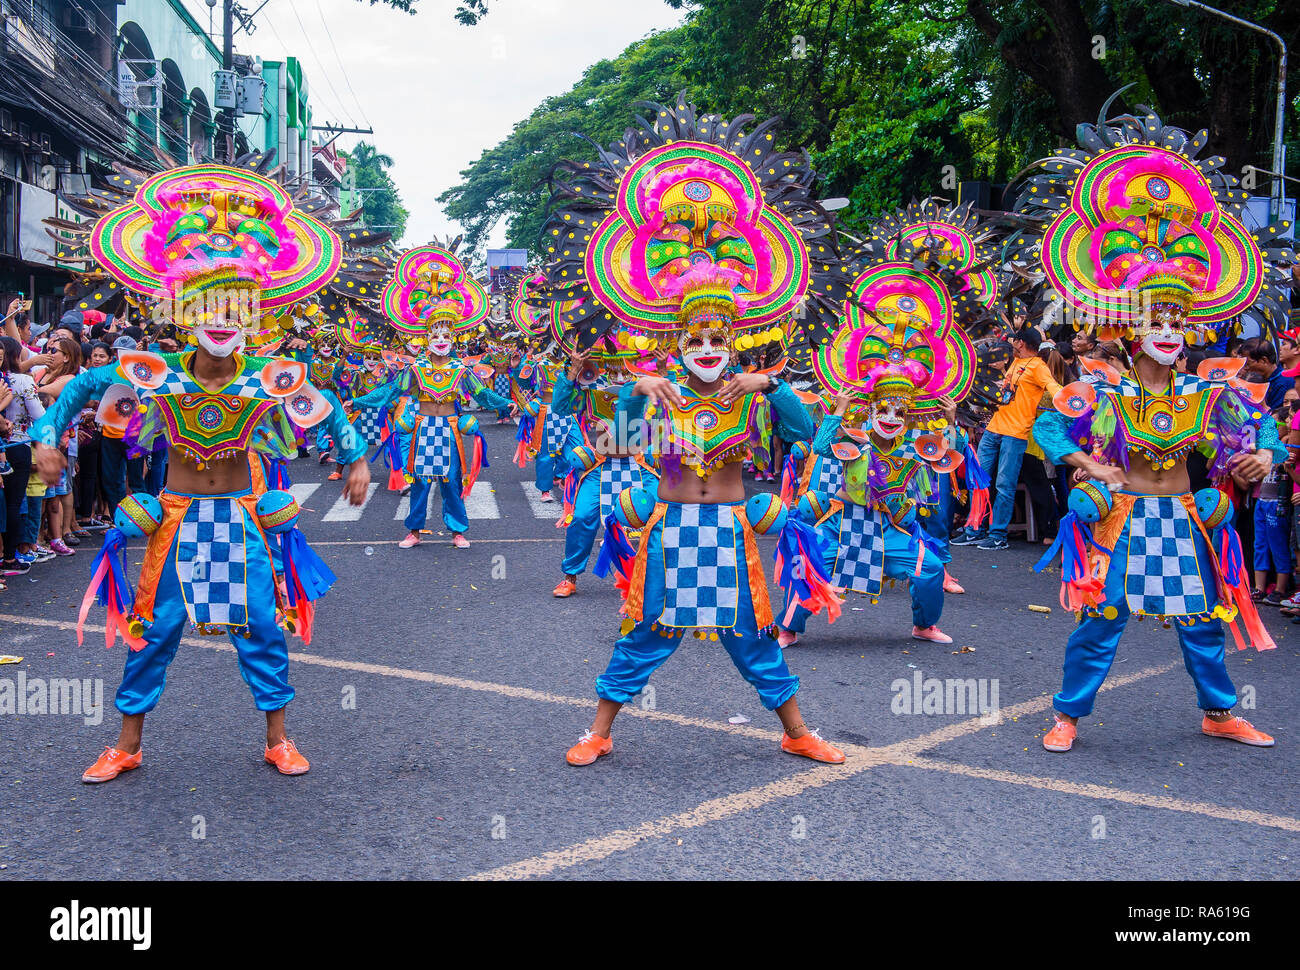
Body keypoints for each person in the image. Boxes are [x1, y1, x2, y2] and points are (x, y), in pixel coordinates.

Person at [31, 163, 370, 783]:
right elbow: (79, 385)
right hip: (175, 519)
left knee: (262, 630)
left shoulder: (268, 374)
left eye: (236, 303)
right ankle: (127, 745)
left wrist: (356, 457)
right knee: (152, 632)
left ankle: (278, 739)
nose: (221, 316)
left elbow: (326, 408)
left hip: (243, 520)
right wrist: (46, 437)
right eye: (207, 302)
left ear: (256, 312)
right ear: (182, 307)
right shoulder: (155, 371)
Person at [543, 95, 849, 768]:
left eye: (719, 335)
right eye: (695, 336)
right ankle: (599, 730)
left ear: (735, 336)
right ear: (675, 338)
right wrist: (633, 388)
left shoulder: (753, 393)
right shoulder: (658, 393)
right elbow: (607, 447)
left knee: (755, 639)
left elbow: (815, 438)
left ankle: (798, 731)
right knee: (642, 636)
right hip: (671, 528)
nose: (708, 346)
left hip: (734, 531)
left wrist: (774, 383)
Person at [1014, 99, 1285, 752]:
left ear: (1190, 325)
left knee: (1200, 622)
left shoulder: (1206, 390)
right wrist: (1087, 464)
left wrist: (1266, 459)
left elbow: (1264, 430)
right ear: (1134, 327)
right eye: (1155, 320)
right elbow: (1050, 430)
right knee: (1101, 624)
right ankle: (1068, 717)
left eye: (1176, 319)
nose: (1168, 330)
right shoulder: (1105, 392)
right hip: (1125, 518)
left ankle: (1220, 713)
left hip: (1185, 518)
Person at [347, 243, 510, 550]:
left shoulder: (462, 370)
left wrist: (508, 403)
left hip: (450, 429)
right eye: (435, 334)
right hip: (422, 429)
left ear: (455, 337)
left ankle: (457, 531)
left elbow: (484, 394)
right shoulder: (416, 369)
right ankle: (415, 531)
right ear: (425, 336)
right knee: (420, 482)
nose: (441, 340)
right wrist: (357, 401)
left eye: (447, 335)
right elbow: (389, 392)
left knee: (451, 482)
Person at [954, 326, 1061, 550]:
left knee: (1004, 485)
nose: (1012, 343)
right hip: (994, 428)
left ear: (1021, 343)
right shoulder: (1014, 360)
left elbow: (1052, 386)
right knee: (978, 481)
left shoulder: (1038, 367)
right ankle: (974, 528)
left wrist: (1067, 397)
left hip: (1016, 433)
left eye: (1015, 340)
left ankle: (998, 535)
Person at [0, 335, 44, 580]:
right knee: (14, 503)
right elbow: (40, 414)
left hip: (9, 446)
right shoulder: (23, 381)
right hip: (17, 444)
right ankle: (9, 556)